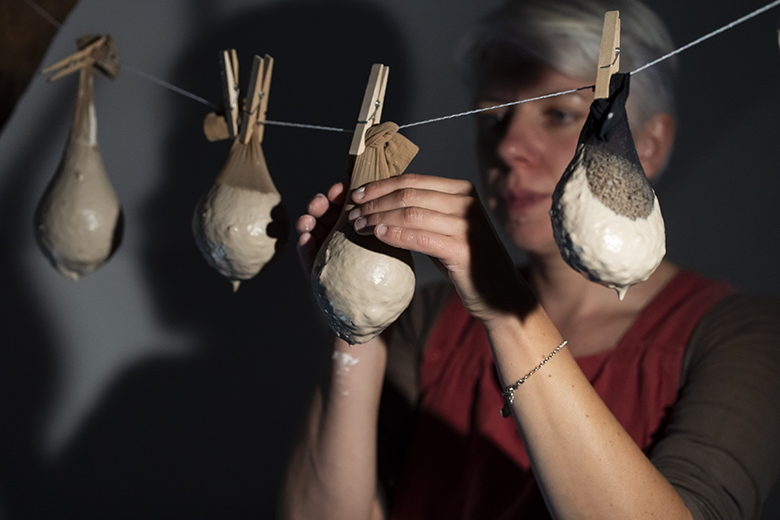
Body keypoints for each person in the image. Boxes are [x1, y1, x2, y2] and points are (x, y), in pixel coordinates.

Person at [281, 0, 780, 518]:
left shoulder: (746, 335)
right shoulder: (427, 321)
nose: (510, 147)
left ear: (650, 144)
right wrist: (353, 318)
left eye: (560, 114)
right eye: (494, 117)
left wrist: (505, 310)